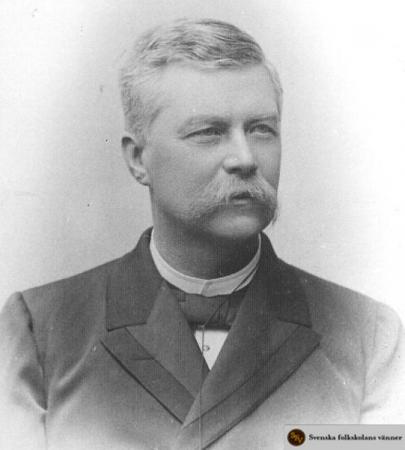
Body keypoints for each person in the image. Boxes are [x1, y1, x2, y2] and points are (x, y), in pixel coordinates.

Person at [0, 18, 404, 450]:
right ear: (138, 160)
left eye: (261, 129)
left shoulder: (366, 336)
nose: (245, 158)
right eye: (209, 132)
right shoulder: (41, 332)